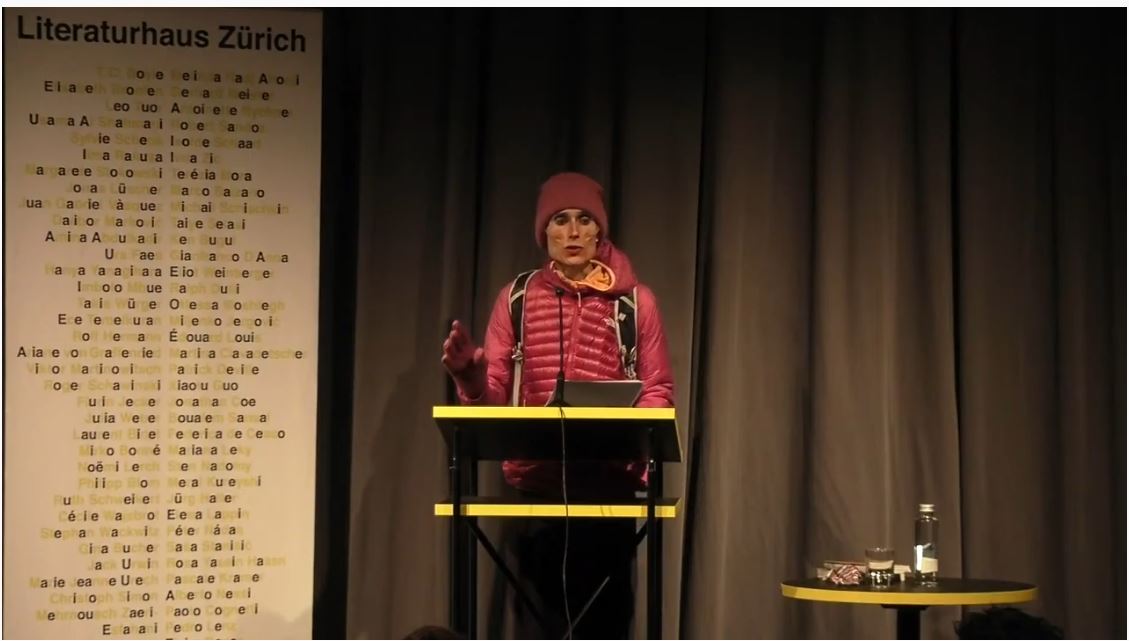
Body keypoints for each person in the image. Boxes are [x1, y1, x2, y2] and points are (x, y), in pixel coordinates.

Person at [441, 172, 675, 639]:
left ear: (599, 230)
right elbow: (494, 395)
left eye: (584, 220)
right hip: (537, 493)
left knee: (606, 628)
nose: (572, 232)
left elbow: (657, 390)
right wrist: (470, 378)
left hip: (608, 494)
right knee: (538, 626)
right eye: (560, 220)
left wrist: (630, 444)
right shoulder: (516, 299)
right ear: (544, 231)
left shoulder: (635, 303)